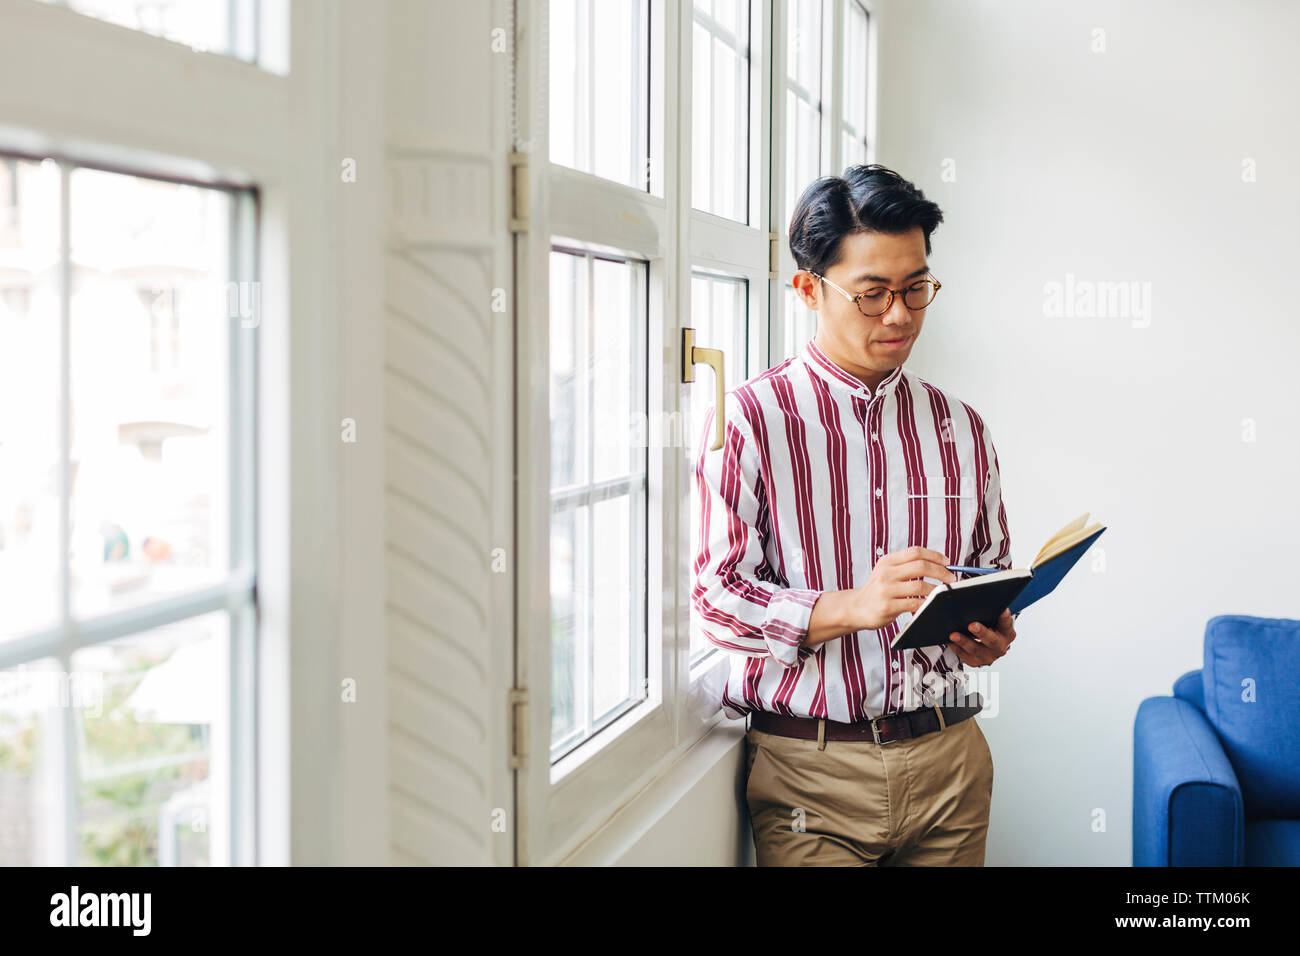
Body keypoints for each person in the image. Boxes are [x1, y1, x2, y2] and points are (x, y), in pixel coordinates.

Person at [691, 164, 1017, 866]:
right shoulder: (751, 421)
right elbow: (716, 598)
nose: (899, 314)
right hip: (811, 772)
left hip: (951, 764)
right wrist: (850, 607)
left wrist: (989, 631)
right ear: (809, 289)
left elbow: (987, 570)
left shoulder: (962, 428)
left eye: (916, 288)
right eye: (872, 294)